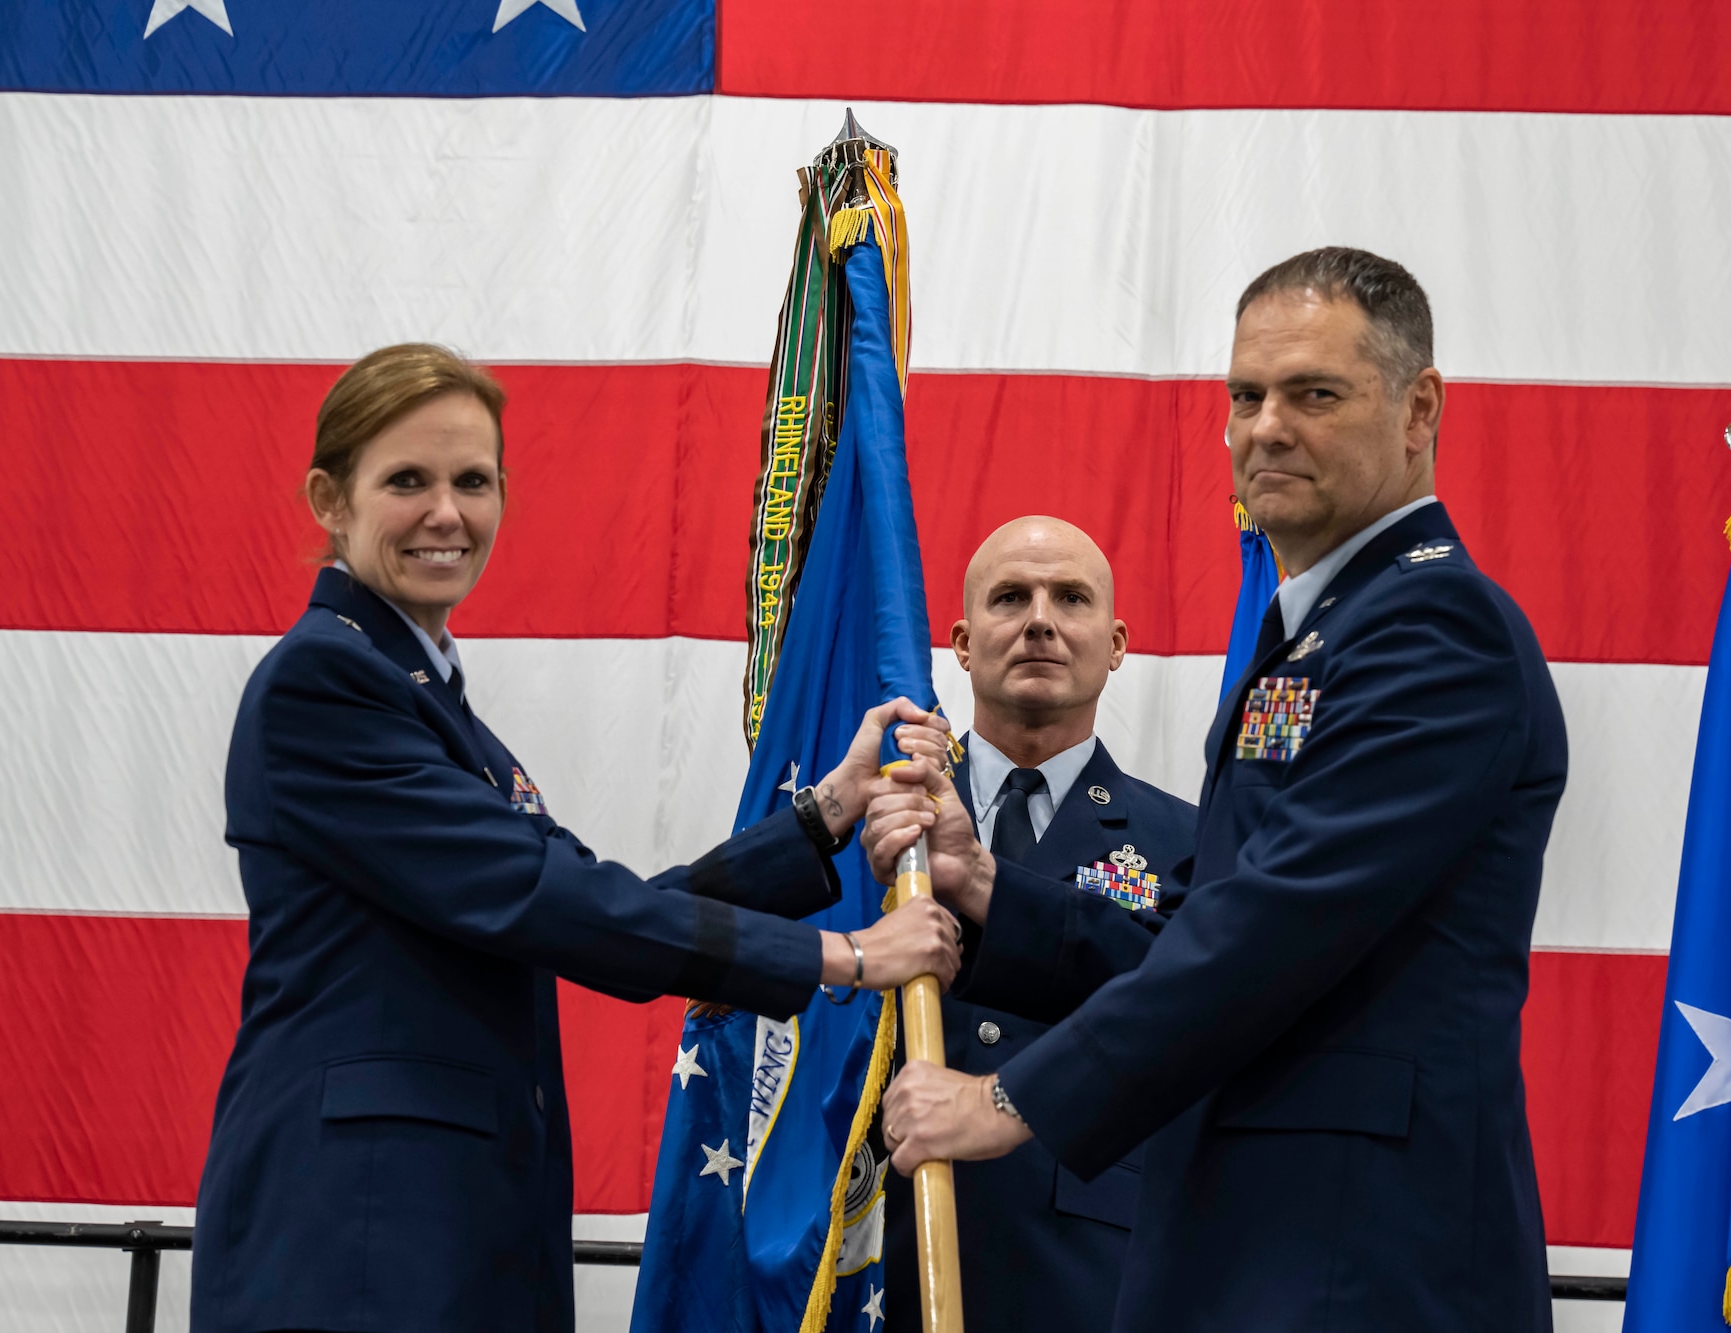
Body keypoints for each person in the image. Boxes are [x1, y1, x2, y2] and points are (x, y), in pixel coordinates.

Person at [191, 344, 961, 1333]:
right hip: (358, 1241)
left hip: (438, 1232)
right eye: (406, 481)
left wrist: (821, 815)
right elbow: (547, 899)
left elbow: (572, 896)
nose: (446, 513)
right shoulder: (325, 686)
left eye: (472, 480)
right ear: (328, 500)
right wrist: (844, 956)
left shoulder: (421, 696)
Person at [869, 249, 1569, 1331]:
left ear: (1417, 407)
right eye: (1246, 395)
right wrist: (987, 884)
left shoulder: (1436, 629)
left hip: (1357, 1259)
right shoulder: (1319, 633)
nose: (1265, 427)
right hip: (1266, 1244)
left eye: (1313, 393)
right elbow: (1188, 931)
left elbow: (1270, 925)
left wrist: (1011, 1099)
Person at [880, 517, 1195, 1333]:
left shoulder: (1191, 843)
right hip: (879, 1263)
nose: (1040, 619)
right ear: (961, 639)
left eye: (1071, 598)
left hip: (1091, 1280)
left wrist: (982, 883)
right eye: (1011, 596)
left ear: (1118, 641)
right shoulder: (881, 813)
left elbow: (1191, 1006)